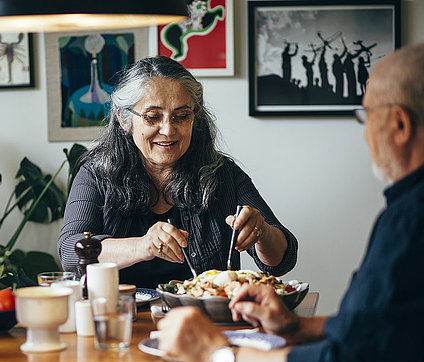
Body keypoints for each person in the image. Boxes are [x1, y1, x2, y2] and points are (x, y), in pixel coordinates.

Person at [157, 43, 424, 362]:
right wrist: (298, 327)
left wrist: (217, 356)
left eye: (365, 116)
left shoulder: (409, 222)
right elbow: (388, 327)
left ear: (399, 124)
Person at [58, 56, 298, 289]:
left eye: (181, 116)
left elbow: (281, 261)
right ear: (123, 118)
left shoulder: (223, 174)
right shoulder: (96, 174)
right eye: (153, 117)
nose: (168, 129)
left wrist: (262, 232)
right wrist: (143, 246)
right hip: (122, 318)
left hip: (205, 320)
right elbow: (70, 251)